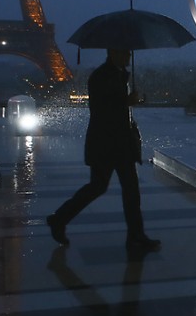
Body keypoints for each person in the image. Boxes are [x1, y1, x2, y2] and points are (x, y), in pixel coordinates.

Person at [46, 48, 160, 252]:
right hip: (109, 143)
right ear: (113, 53)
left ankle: (135, 235)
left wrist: (128, 101)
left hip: (114, 143)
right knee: (111, 189)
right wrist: (126, 101)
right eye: (126, 53)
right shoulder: (103, 76)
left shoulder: (112, 74)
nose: (129, 56)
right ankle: (60, 218)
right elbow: (102, 110)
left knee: (116, 189)